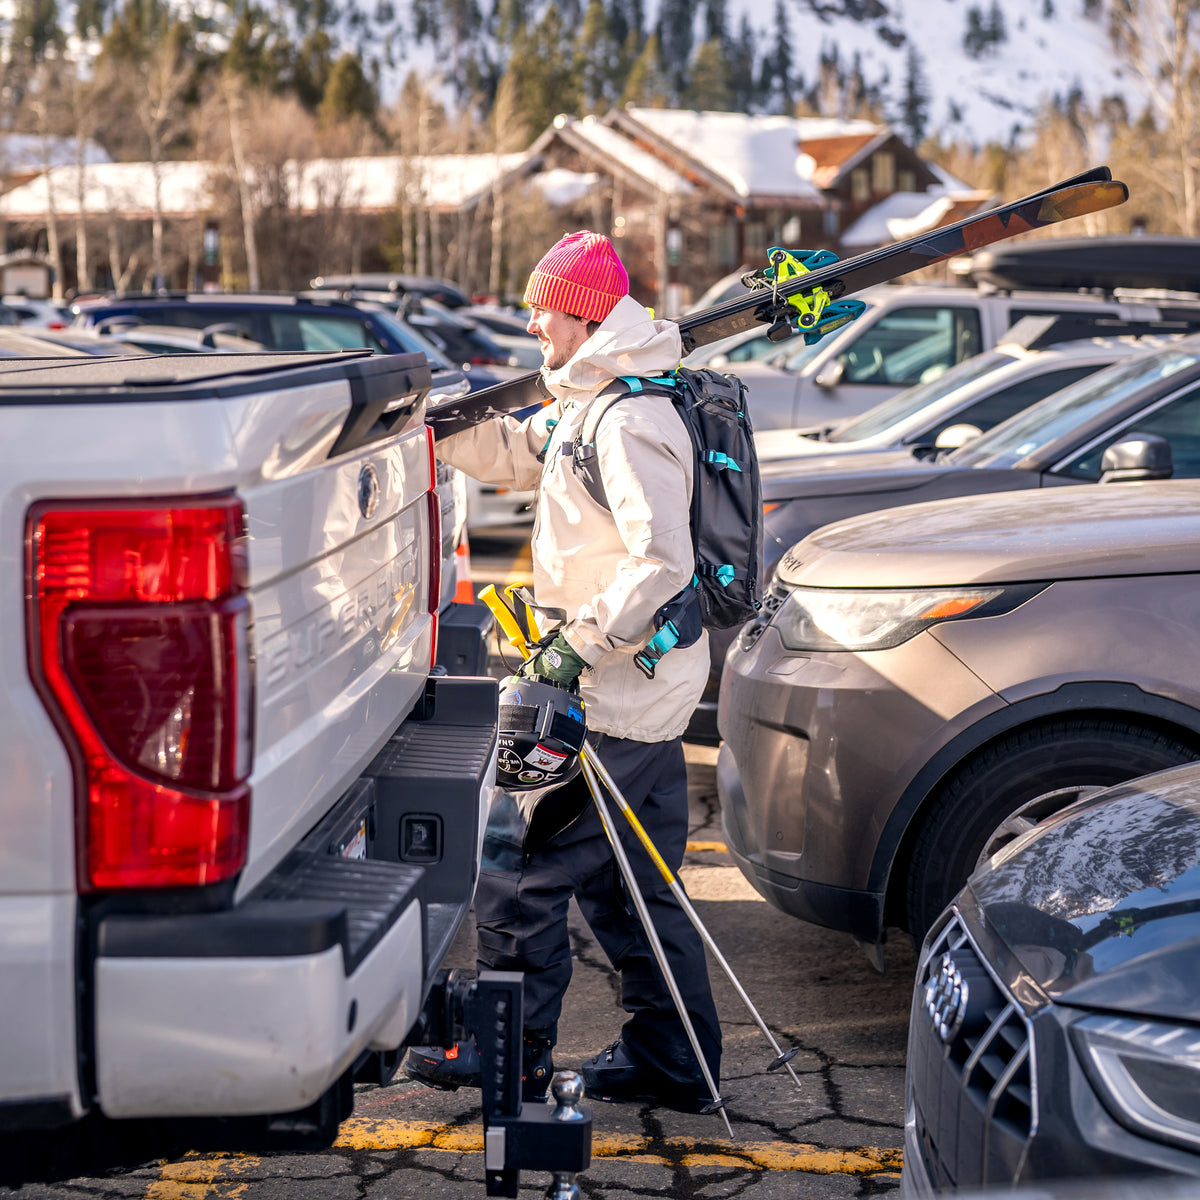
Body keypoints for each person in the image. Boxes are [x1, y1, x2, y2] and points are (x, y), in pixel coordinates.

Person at [405, 230, 721, 1112]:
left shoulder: (630, 420)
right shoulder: (591, 399)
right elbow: (519, 455)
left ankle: (507, 1057)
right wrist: (441, 424)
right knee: (634, 890)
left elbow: (663, 562)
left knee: (518, 869)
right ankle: (675, 1060)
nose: (531, 319)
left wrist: (574, 645)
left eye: (542, 304)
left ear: (582, 313)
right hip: (642, 692)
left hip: (611, 690)